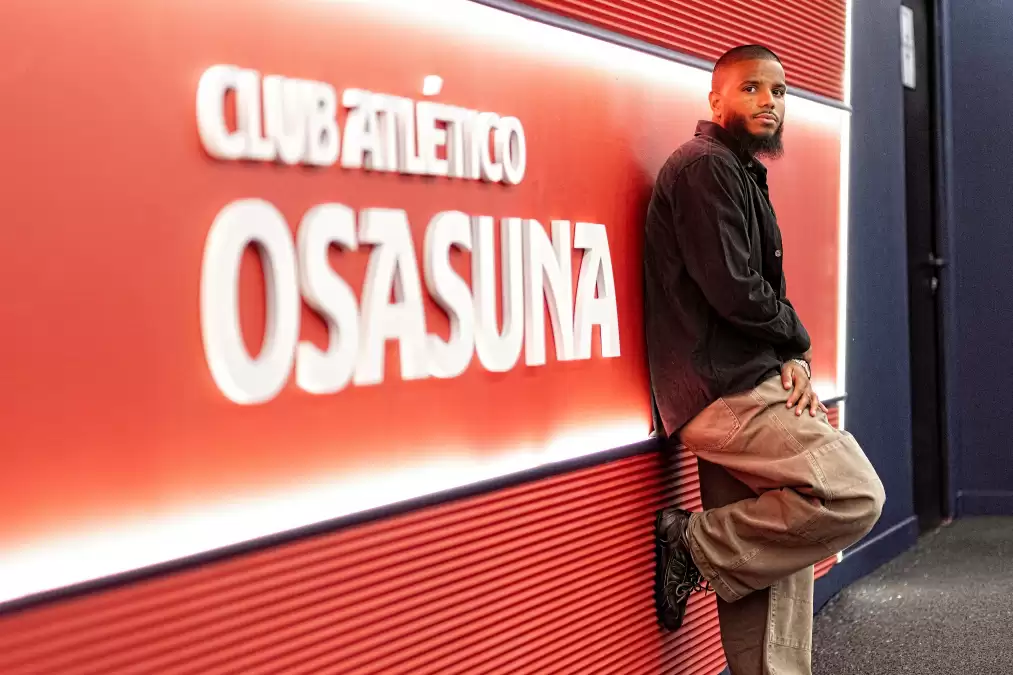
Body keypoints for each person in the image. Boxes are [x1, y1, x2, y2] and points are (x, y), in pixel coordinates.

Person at [643, 44, 886, 674]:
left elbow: (752, 294)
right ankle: (693, 543)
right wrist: (797, 343)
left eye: (778, 91)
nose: (769, 101)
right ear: (715, 98)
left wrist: (791, 359)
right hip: (724, 391)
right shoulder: (705, 168)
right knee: (853, 494)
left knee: (771, 559)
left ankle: (707, 554)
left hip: (739, 382)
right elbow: (734, 290)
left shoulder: (738, 171)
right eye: (751, 88)